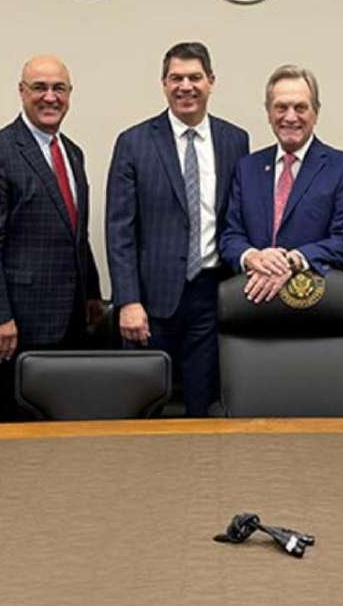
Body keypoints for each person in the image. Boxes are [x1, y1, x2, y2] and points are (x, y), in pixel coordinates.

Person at [106, 42, 249, 416]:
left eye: (195, 77)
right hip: (150, 300)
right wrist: (128, 301)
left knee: (204, 403)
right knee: (144, 405)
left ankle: (201, 474)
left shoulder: (235, 140)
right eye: (176, 78)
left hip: (211, 293)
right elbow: (119, 229)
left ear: (211, 82)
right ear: (163, 84)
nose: (186, 86)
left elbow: (239, 217)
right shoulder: (134, 142)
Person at [0, 55, 102, 422]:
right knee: (7, 439)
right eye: (39, 87)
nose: (50, 97)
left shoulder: (72, 153)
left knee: (59, 436)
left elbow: (76, 233)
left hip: (68, 323)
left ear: (70, 94)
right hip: (12, 329)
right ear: (21, 92)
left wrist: (90, 294)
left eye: (59, 88)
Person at [218, 65, 343, 302]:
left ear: (315, 112)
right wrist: (252, 257)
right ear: (268, 113)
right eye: (281, 107)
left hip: (315, 305)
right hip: (253, 305)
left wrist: (293, 260)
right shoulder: (247, 168)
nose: (290, 117)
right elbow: (230, 236)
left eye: (300, 107)